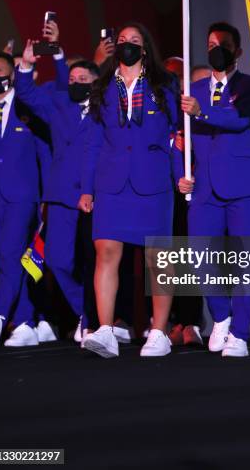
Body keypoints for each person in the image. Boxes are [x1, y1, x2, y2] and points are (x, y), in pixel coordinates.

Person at [78, 21, 179, 358]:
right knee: (106, 252)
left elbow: (178, 137)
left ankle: (159, 332)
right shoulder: (103, 87)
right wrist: (87, 189)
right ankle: (106, 329)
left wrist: (181, 175)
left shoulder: (165, 87)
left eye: (134, 40)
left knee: (158, 259)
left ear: (145, 48)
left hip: (152, 181)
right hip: (111, 183)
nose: (127, 45)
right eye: (122, 40)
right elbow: (93, 143)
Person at [177, 21, 250, 357]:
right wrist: (181, 175)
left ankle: (241, 334)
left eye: (224, 44)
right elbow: (179, 141)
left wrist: (203, 113)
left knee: (245, 259)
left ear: (238, 51)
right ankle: (221, 315)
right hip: (204, 188)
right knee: (199, 254)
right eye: (212, 43)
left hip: (245, 185)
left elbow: (240, 120)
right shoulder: (193, 90)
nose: (217, 49)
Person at [16, 43, 102, 343]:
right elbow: (27, 94)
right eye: (72, 79)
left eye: (83, 80)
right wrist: (26, 66)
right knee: (56, 260)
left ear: (96, 83)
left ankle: (102, 322)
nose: (76, 83)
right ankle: (87, 314)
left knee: (96, 262)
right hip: (62, 195)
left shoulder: (107, 111)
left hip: (99, 196)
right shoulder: (60, 108)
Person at [0, 52, 49, 346]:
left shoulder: (28, 106)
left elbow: (44, 152)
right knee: (3, 258)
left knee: (12, 253)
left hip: (22, 195)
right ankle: (25, 322)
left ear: (11, 75)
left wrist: (47, 195)